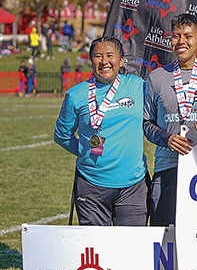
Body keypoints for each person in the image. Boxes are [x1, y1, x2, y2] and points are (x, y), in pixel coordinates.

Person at [53, 36, 149, 226]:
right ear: (91, 61)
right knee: (95, 250)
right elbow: (62, 136)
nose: (104, 61)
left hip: (133, 185)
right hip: (91, 185)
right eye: (98, 56)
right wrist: (86, 152)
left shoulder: (139, 86)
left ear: (121, 60)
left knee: (132, 248)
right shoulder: (76, 94)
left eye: (110, 56)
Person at [143, 14, 197, 226]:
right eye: (176, 36)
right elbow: (145, 123)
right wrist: (167, 139)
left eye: (188, 36)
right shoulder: (156, 77)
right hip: (167, 168)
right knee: (164, 233)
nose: (181, 41)